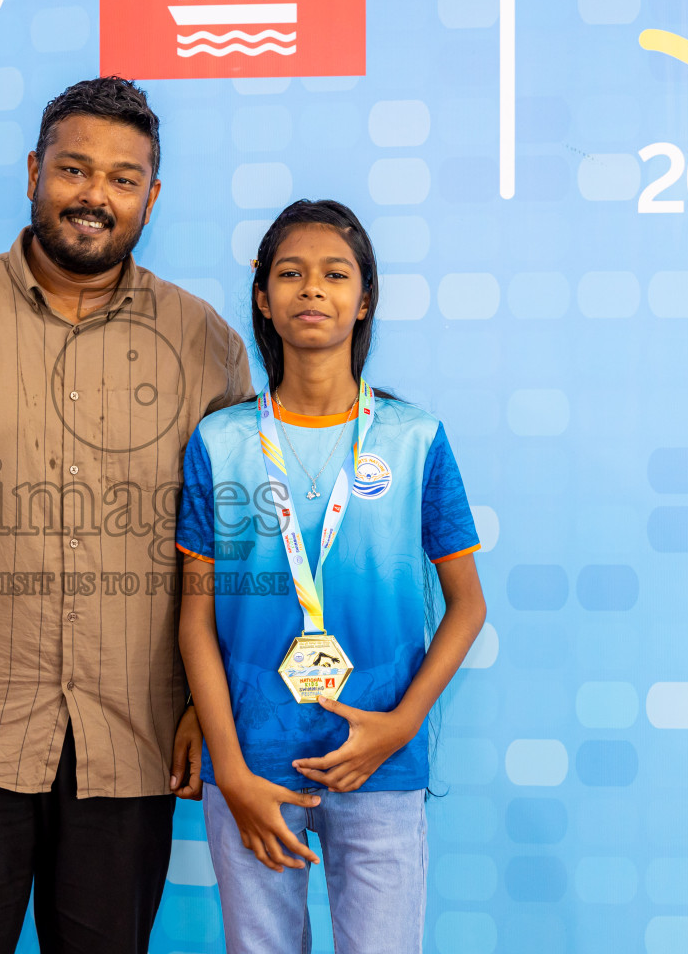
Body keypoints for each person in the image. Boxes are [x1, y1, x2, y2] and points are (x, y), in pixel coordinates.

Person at [0, 77, 255, 954]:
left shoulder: (206, 343)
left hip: (131, 737)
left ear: (152, 196)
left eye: (123, 178)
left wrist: (201, 707)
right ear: (34, 170)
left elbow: (222, 541)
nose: (95, 196)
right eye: (74, 169)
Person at [175, 200, 489, 953]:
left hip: (380, 762)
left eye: (334, 274)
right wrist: (231, 768)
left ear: (365, 297)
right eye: (290, 273)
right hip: (253, 769)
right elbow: (193, 620)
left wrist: (402, 723)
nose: (311, 289)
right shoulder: (220, 443)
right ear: (263, 297)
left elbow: (468, 606)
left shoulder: (416, 439)